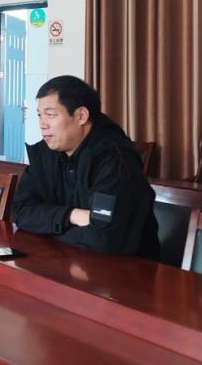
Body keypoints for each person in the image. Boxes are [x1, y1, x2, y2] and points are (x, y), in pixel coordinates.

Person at [12, 75, 160, 259]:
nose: (42, 124)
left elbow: (103, 238)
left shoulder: (115, 159)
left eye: (51, 115)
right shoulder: (45, 153)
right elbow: (21, 211)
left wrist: (46, 226)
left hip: (125, 269)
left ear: (81, 116)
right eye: (39, 115)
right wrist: (70, 216)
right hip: (66, 260)